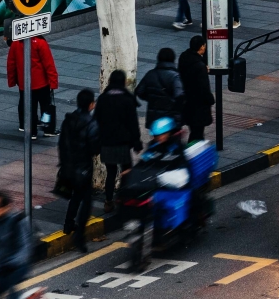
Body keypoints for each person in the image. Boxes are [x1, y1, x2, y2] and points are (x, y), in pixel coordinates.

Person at [57, 89, 101, 252]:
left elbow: (61, 144)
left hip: (68, 167)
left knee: (75, 196)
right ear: (91, 105)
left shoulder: (68, 120)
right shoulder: (92, 124)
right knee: (86, 201)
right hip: (83, 169)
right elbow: (95, 148)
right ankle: (79, 236)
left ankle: (68, 223)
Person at [94, 71, 142, 214]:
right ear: (123, 82)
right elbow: (133, 123)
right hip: (123, 143)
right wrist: (136, 142)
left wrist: (96, 142)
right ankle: (124, 198)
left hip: (107, 143)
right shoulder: (127, 99)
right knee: (127, 170)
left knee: (111, 172)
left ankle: (108, 201)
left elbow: (96, 121)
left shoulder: (103, 99)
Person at [6, 34, 59, 138]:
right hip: (41, 83)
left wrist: (12, 81)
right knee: (46, 108)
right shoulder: (40, 42)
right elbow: (49, 63)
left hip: (24, 84)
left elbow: (11, 63)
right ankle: (48, 129)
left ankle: (31, 132)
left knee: (29, 109)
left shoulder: (16, 43)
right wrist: (53, 82)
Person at [137, 47, 185, 128]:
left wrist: (152, 98)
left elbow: (139, 91)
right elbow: (179, 96)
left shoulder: (150, 74)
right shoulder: (175, 76)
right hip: (170, 119)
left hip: (154, 119)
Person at [179, 36, 214, 143]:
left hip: (187, 101)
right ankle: (193, 151)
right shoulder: (200, 66)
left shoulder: (184, 57)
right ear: (201, 47)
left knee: (195, 131)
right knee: (197, 133)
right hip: (198, 105)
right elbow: (204, 87)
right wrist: (210, 100)